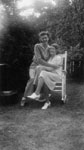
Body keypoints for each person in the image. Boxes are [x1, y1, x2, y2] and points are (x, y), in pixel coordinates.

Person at [20, 31, 55, 106]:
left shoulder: (50, 48)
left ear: (48, 38)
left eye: (45, 37)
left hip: (43, 67)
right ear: (40, 39)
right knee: (32, 79)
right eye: (42, 38)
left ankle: (39, 94)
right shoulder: (37, 46)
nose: (44, 39)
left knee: (42, 79)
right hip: (34, 66)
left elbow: (53, 58)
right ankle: (24, 98)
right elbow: (39, 59)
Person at [28, 44, 63, 109]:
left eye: (53, 49)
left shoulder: (58, 57)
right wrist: (41, 67)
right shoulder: (50, 58)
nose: (51, 50)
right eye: (50, 49)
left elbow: (51, 69)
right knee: (39, 70)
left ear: (56, 50)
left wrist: (43, 67)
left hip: (56, 76)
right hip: (49, 75)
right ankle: (47, 102)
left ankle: (37, 92)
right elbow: (46, 67)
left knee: (42, 71)